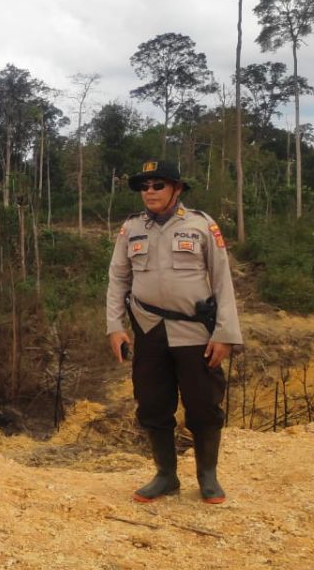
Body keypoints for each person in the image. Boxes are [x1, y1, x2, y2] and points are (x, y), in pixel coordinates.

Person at [106, 159, 243, 504]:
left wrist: (225, 333)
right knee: (152, 403)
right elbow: (118, 279)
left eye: (158, 185)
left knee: (203, 404)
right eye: (144, 186)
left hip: (195, 332)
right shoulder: (131, 228)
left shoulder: (201, 225)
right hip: (149, 330)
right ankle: (166, 476)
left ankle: (207, 477)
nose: (149, 192)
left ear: (176, 189)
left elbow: (223, 280)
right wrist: (115, 326)